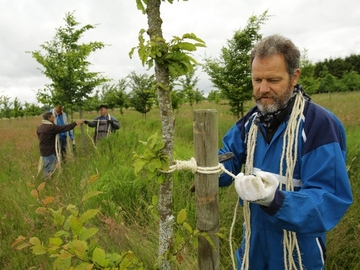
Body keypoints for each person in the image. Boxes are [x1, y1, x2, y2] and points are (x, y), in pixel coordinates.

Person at [218, 34, 353, 270]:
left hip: (299, 254)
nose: (262, 88)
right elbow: (227, 156)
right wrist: (209, 168)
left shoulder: (317, 125)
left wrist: (274, 199)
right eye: (257, 79)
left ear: (294, 77)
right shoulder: (251, 123)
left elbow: (329, 197)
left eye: (272, 79)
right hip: (253, 248)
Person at [37, 111, 83, 178]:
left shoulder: (40, 127)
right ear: (49, 118)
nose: (54, 118)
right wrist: (76, 123)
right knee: (49, 168)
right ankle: (46, 181)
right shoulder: (50, 127)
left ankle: (49, 180)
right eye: (52, 117)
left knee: (50, 165)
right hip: (49, 151)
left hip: (43, 149)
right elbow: (64, 128)